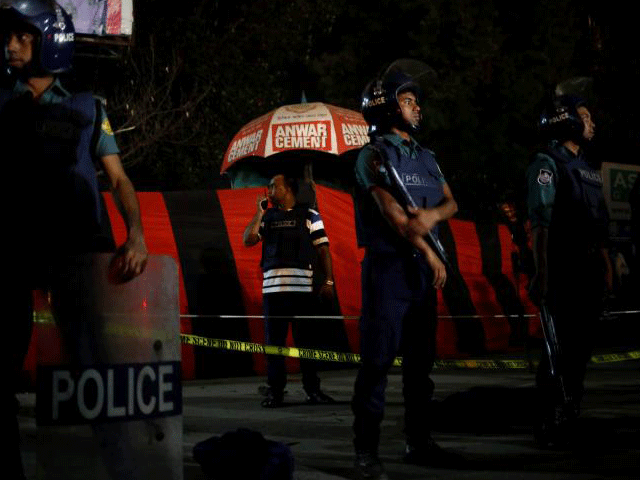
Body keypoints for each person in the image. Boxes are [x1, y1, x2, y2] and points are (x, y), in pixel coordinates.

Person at [0, 2, 147, 478]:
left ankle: (118, 467)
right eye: (10, 36)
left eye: (23, 36)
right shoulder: (0, 102)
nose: (10, 44)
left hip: (77, 247)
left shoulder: (89, 107)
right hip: (14, 249)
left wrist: (137, 236)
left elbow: (119, 179)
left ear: (51, 41)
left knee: (96, 370)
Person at [351, 69, 459, 479]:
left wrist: (430, 215)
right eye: (410, 101)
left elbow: (451, 203)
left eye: (416, 101)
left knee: (420, 366)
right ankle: (366, 452)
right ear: (389, 106)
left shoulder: (425, 156)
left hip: (421, 275)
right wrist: (430, 253)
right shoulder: (373, 156)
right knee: (377, 364)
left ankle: (419, 442)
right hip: (389, 271)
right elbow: (395, 218)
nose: (417, 107)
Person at [526, 94, 612, 447]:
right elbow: (541, 225)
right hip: (564, 267)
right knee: (557, 348)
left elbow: (599, 224)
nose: (592, 123)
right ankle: (548, 420)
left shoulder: (588, 167)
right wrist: (542, 273)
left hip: (589, 267)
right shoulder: (547, 163)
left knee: (581, 348)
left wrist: (606, 267)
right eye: (586, 116)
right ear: (568, 121)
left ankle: (571, 411)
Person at [243, 173, 336, 407]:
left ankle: (312, 391)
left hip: (303, 291)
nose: (270, 189)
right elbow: (248, 239)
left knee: (307, 344)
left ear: (288, 189)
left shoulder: (310, 215)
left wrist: (329, 282)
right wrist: (259, 213)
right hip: (273, 292)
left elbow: (323, 250)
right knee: (274, 345)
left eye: (274, 186)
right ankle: (275, 392)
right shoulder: (268, 217)